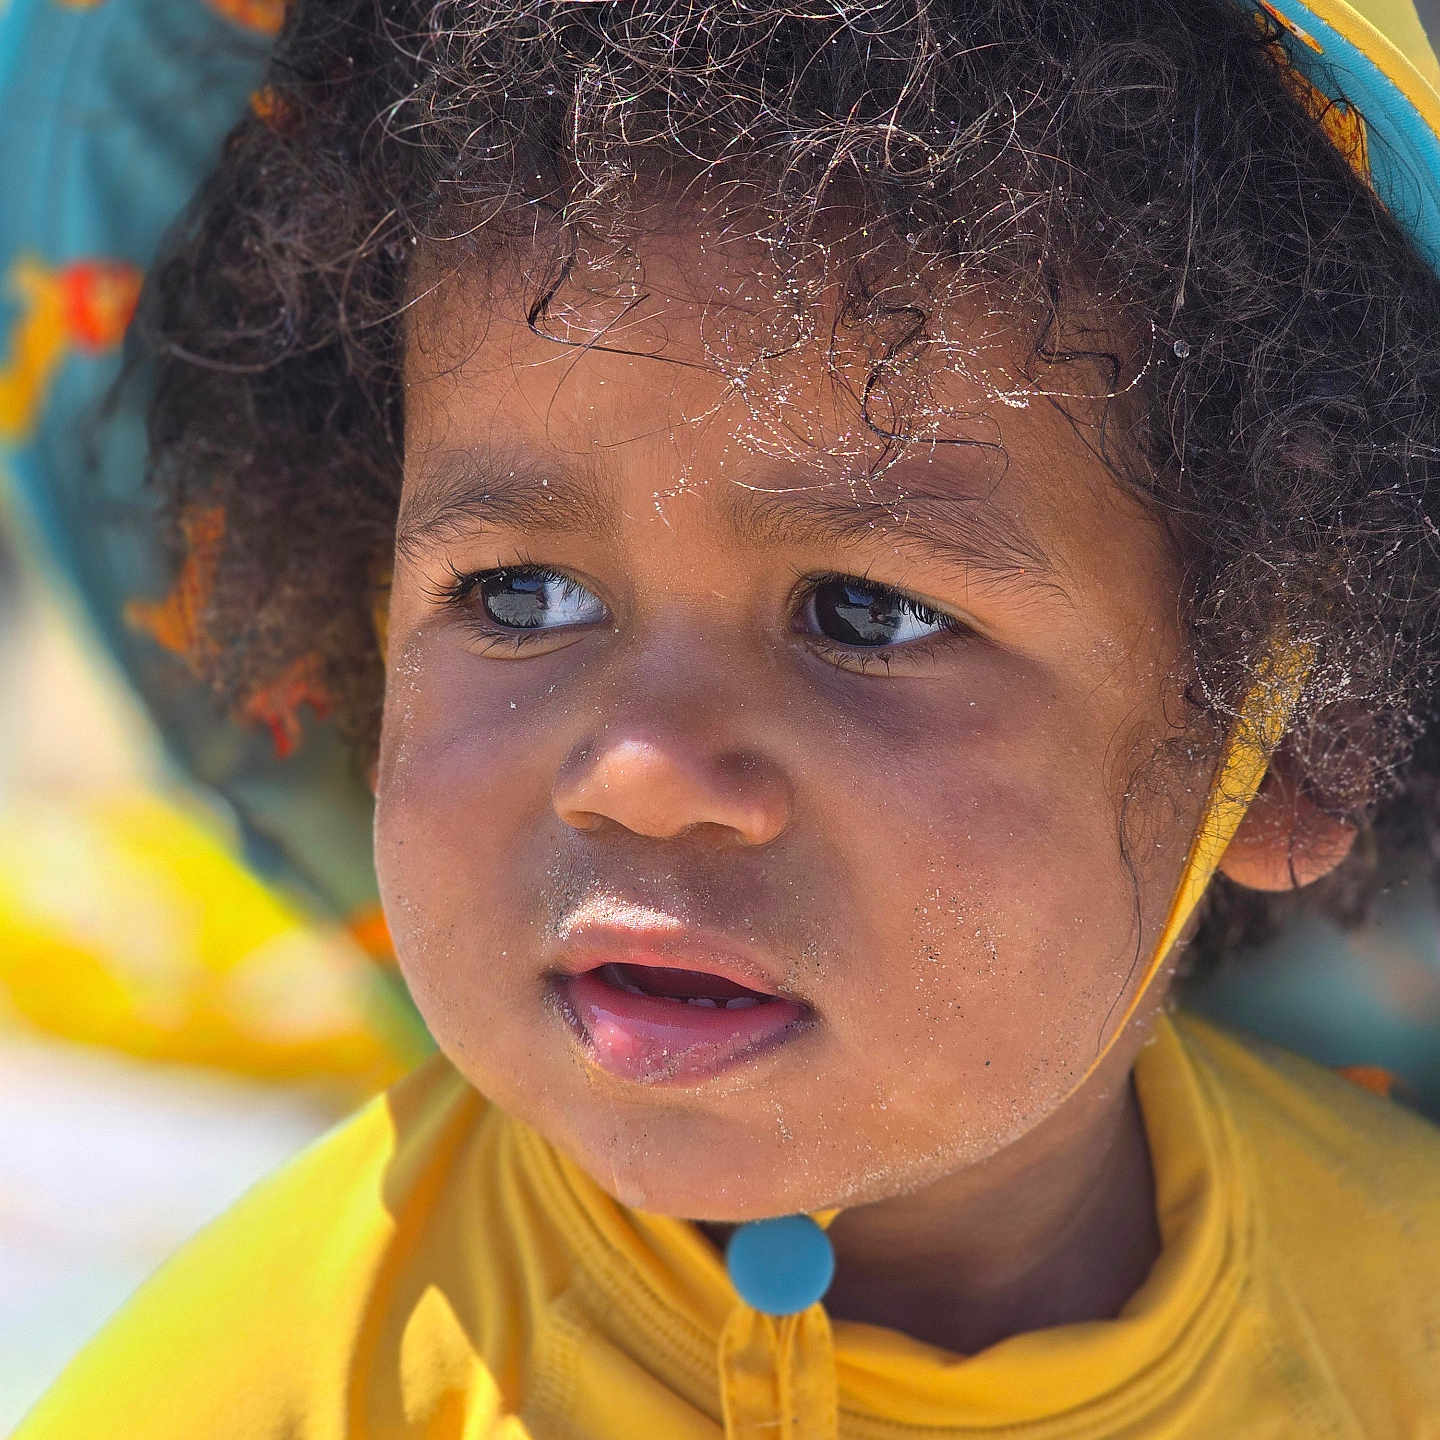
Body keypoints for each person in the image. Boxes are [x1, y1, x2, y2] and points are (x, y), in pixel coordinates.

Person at [16, 0, 1440, 1434]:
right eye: (519, 597)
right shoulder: (263, 1390)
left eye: (866, 615)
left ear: (1291, 741)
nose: (639, 778)